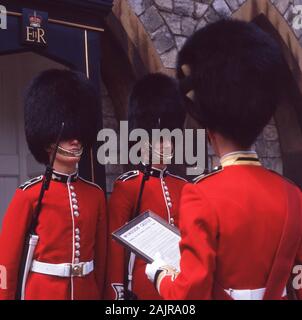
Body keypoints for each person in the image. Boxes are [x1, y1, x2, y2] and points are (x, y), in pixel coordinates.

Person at [145, 19, 302, 300]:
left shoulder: (202, 195)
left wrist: (160, 275)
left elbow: (188, 294)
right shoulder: (292, 195)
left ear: (209, 130)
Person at [0, 69, 107, 300]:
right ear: (49, 143)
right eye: (68, 134)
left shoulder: (95, 195)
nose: (76, 139)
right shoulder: (29, 195)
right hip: (44, 292)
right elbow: (7, 259)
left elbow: (102, 256)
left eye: (79, 133)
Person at [105, 73, 187, 300]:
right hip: (144, 288)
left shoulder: (182, 186)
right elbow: (115, 249)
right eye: (161, 138)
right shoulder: (128, 186)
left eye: (171, 137)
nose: (168, 144)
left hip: (180, 286)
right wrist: (117, 291)